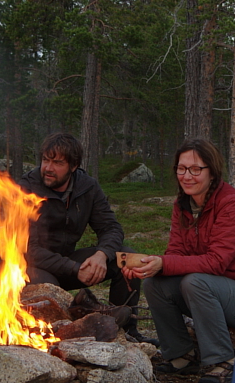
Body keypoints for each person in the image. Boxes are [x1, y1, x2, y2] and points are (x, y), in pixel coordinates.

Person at [123, 139, 235, 383]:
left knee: (196, 281)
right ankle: (181, 356)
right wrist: (151, 266)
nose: (187, 176)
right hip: (214, 292)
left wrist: (165, 263)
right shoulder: (183, 204)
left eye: (195, 169)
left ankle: (224, 361)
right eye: (181, 169)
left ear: (212, 171)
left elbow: (217, 262)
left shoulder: (232, 204)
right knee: (155, 283)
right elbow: (176, 252)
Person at [18, 132, 148, 341]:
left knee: (128, 259)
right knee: (48, 290)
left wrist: (101, 255)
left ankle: (127, 330)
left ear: (73, 166)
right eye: (45, 160)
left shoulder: (87, 187)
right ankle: (80, 320)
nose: (48, 168)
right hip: (32, 268)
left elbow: (111, 227)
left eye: (57, 162)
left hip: (68, 263)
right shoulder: (26, 189)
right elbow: (28, 249)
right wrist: (75, 269)